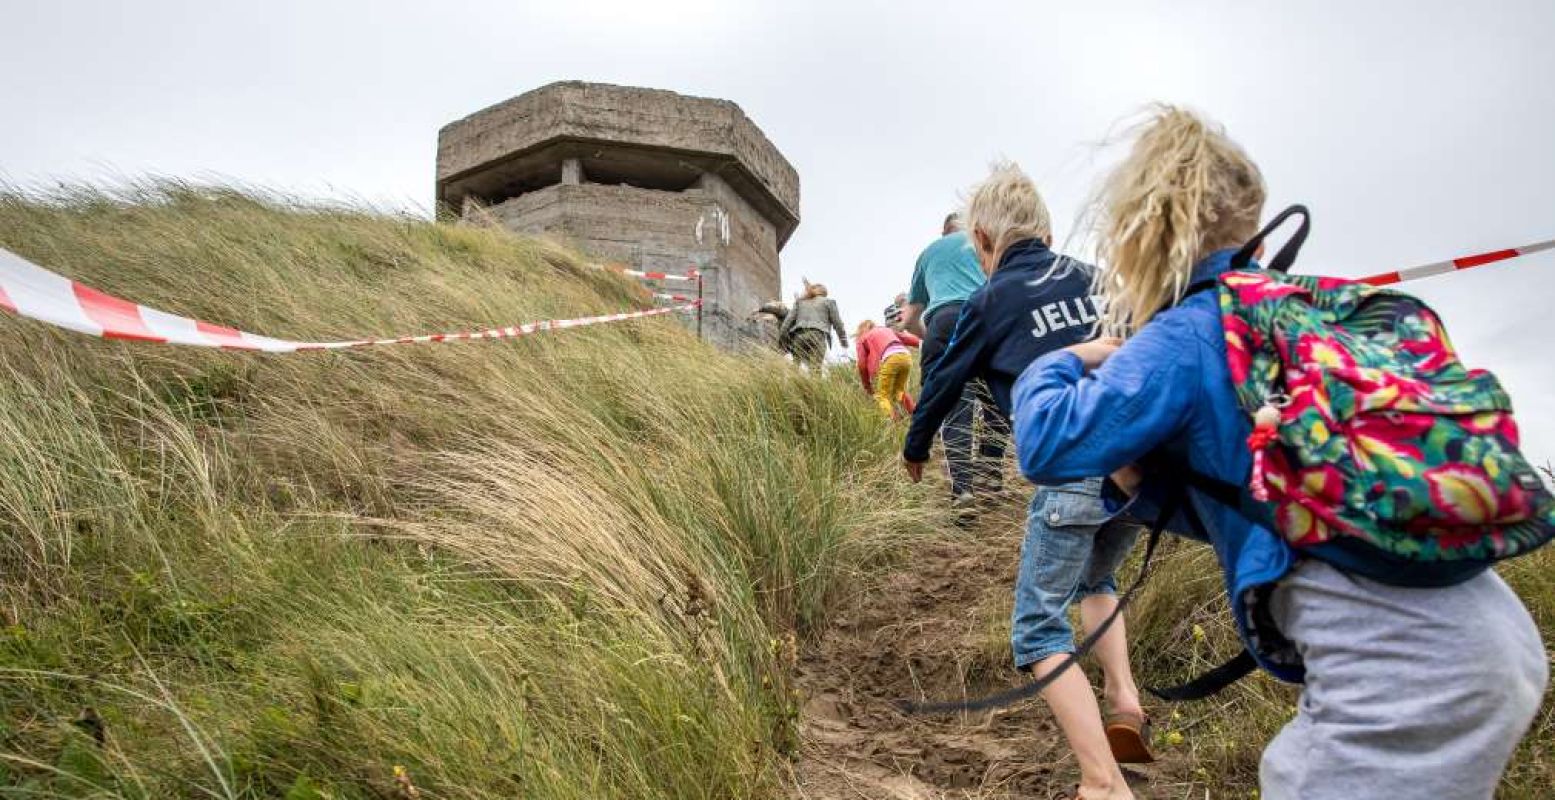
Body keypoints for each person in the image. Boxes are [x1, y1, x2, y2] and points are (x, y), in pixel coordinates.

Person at [1009, 106, 1548, 800]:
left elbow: (1048, 443)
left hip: (1399, 668)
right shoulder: (1294, 316)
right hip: (1488, 636)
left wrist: (1059, 361)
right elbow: (1270, 502)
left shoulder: (1187, 333)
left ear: (1141, 230)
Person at [902, 162, 1151, 799]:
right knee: (1097, 577)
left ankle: (1102, 782)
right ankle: (1125, 701)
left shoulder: (991, 300)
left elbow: (945, 381)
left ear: (983, 240)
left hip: (1071, 470)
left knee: (1039, 627)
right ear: (1044, 226)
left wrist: (916, 447)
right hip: (1140, 473)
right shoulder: (1096, 279)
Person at [902, 212, 1007, 506]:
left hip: (944, 322)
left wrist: (935, 340)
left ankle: (963, 490)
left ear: (943, 230)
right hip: (986, 316)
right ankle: (990, 469)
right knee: (995, 396)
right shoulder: (983, 243)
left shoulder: (928, 254)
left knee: (954, 404)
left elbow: (909, 319)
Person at [854, 319, 919, 419]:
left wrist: (867, 386)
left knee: (882, 396)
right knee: (899, 392)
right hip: (906, 356)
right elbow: (908, 338)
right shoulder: (886, 330)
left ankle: (894, 423)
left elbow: (862, 365)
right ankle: (917, 415)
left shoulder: (862, 339)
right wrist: (925, 343)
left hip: (891, 358)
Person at [781, 282, 847, 371]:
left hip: (798, 337)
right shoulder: (828, 302)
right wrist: (843, 341)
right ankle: (812, 385)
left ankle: (792, 383)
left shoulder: (800, 302)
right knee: (815, 368)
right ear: (824, 293)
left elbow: (787, 322)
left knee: (795, 366)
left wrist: (782, 340)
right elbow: (838, 323)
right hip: (817, 336)